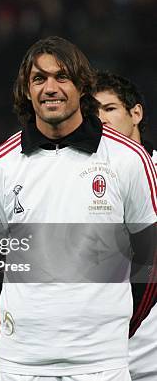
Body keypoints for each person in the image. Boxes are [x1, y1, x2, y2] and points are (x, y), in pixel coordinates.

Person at [0, 36, 155, 380]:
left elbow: (151, 260)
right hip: (21, 362)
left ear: (82, 86)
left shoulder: (129, 160)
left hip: (101, 362)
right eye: (39, 79)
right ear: (26, 91)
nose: (50, 88)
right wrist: (24, 314)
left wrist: (122, 322)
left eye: (61, 77)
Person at [93, 71, 156, 381]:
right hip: (100, 349)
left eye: (109, 108)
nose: (100, 119)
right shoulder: (83, 177)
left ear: (136, 113)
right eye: (92, 111)